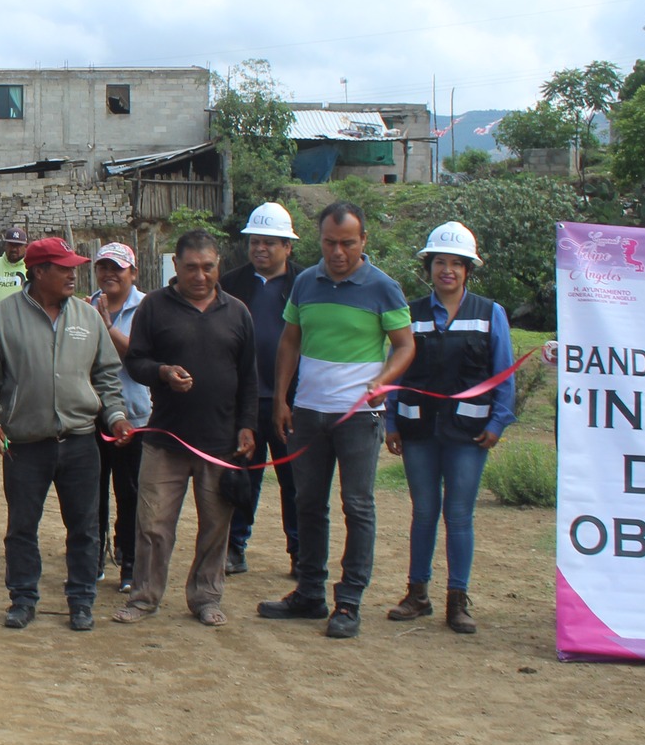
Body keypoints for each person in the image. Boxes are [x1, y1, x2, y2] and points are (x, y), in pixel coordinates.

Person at [259, 201, 415, 640]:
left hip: (359, 417)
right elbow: (290, 340)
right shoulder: (306, 282)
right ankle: (310, 592)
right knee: (308, 502)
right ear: (320, 241)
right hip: (308, 411)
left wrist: (382, 381)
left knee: (358, 505)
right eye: (330, 242)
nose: (338, 252)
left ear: (364, 241)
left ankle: (349, 599)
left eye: (347, 243)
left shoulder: (384, 288)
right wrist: (282, 399)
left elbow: (405, 346)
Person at [0, 237, 129, 631]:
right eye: (64, 268)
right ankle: (23, 598)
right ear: (39, 272)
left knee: (85, 527)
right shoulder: (2, 318)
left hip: (79, 442)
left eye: (74, 267)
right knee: (22, 527)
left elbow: (107, 375)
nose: (74, 274)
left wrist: (117, 415)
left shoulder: (88, 318)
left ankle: (81, 600)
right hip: (24, 444)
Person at [116, 230, 257, 628]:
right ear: (175, 266)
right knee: (153, 524)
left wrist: (247, 425)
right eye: (191, 267)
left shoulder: (237, 313)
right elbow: (136, 362)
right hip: (165, 439)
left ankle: (206, 597)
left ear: (218, 266)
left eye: (208, 267)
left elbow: (249, 378)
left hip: (220, 442)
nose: (200, 275)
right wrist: (162, 373)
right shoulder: (155, 308)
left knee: (216, 526)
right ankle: (144, 597)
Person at [385, 222, 515, 635]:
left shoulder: (489, 313)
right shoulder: (412, 313)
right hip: (418, 429)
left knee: (458, 515)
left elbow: (503, 374)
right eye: (440, 262)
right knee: (424, 513)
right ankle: (417, 594)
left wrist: (498, 422)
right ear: (429, 266)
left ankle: (458, 600)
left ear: (468, 270)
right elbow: (395, 369)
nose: (448, 271)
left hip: (469, 435)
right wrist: (390, 419)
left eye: (457, 264)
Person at [220, 201, 301, 577]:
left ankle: (300, 552)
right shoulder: (231, 285)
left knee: (296, 482)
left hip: (291, 402)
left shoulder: (304, 285)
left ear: (288, 247)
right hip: (244, 402)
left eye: (270, 242)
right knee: (242, 476)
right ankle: (235, 547)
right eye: (255, 241)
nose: (260, 249)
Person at [92, 242, 151, 593]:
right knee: (91, 492)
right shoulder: (85, 305)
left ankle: (129, 562)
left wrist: (107, 327)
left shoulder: (147, 309)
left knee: (130, 493)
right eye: (103, 267)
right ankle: (93, 556)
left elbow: (142, 360)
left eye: (118, 267)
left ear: (133, 272)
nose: (110, 274)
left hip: (134, 416)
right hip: (93, 416)